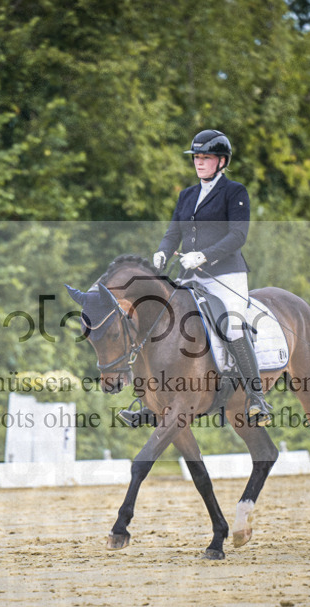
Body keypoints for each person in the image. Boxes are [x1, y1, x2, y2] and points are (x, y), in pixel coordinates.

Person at [120, 129, 273, 427]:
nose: (199, 163)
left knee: (232, 326)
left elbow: (238, 235)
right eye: (196, 158)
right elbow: (173, 233)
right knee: (158, 322)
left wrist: (203, 256)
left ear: (222, 161)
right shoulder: (187, 195)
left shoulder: (235, 192)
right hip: (189, 275)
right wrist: (163, 252)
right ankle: (149, 402)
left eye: (206, 157)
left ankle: (257, 399)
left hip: (226, 274)